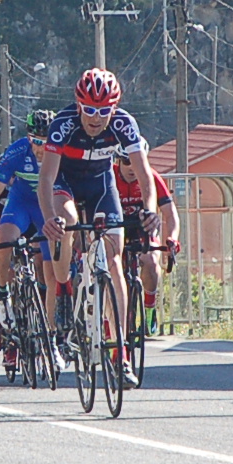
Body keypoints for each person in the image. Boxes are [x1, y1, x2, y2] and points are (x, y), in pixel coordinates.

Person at [37, 68, 154, 390]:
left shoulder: (124, 124)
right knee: (67, 222)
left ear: (114, 108)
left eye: (103, 111)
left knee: (114, 260)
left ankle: (120, 352)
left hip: (102, 186)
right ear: (79, 105)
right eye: (89, 109)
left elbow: (145, 175)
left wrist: (150, 210)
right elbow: (46, 178)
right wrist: (49, 217)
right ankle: (63, 290)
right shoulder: (63, 125)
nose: (95, 118)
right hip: (65, 183)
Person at [0, 111, 57, 369]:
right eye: (35, 141)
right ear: (28, 138)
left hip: (47, 209)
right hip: (22, 204)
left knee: (49, 268)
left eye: (46, 142)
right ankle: (4, 293)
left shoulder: (61, 152)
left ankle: (50, 332)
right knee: (4, 240)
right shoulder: (16, 152)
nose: (40, 148)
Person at [116, 160, 183, 340]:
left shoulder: (151, 176)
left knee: (151, 261)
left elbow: (171, 214)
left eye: (136, 161)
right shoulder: (110, 175)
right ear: (118, 160)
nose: (132, 167)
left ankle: (150, 309)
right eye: (127, 162)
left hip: (143, 230)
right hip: (118, 229)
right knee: (115, 268)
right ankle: (115, 321)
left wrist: (172, 238)